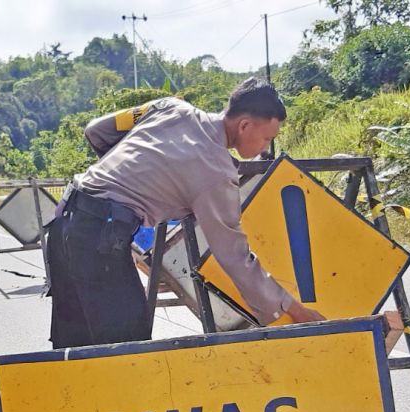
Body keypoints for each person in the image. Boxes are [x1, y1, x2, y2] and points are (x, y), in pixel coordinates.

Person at [46, 77, 325, 349]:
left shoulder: (170, 107)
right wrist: (294, 310)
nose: (265, 148)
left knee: (69, 352)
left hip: (64, 222)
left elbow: (96, 130)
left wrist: (136, 176)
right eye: (266, 138)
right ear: (244, 125)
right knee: (128, 353)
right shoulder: (216, 171)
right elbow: (234, 257)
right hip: (100, 240)